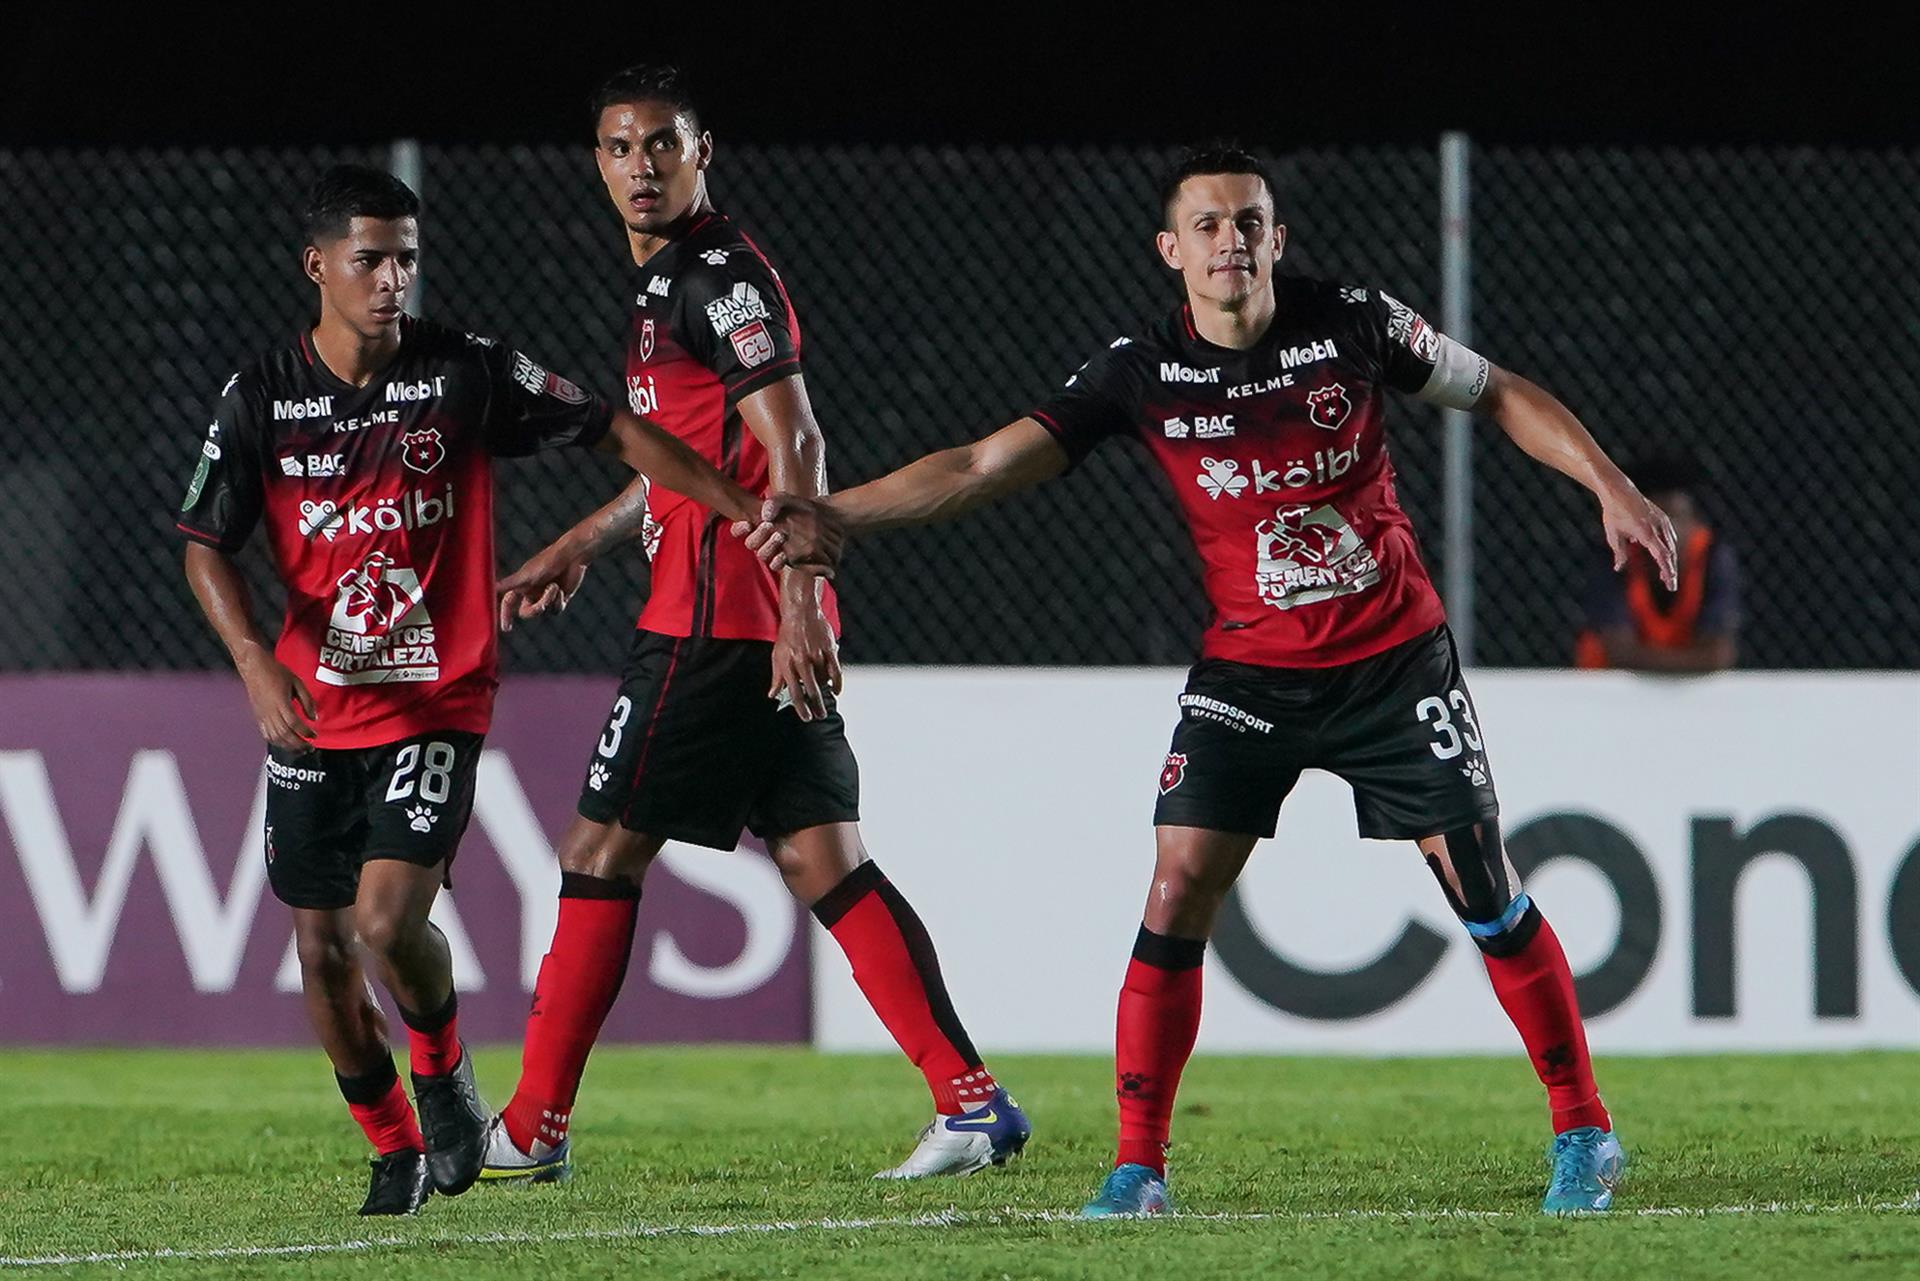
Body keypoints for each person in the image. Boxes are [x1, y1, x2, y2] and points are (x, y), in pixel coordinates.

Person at [737, 146, 1680, 1217]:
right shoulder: (1141, 370)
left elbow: (1500, 391)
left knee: (1482, 889)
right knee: (1178, 883)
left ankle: (1584, 1134)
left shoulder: (1355, 325)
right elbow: (983, 464)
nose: (1231, 240)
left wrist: (1608, 480)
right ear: (1171, 250)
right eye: (1210, 224)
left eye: (1250, 221)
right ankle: (1139, 1167)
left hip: (1393, 662)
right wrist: (838, 512)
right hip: (1250, 674)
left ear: (1277, 238)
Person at [176, 164, 794, 1216]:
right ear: (316, 266)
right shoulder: (262, 395)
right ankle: (392, 1147)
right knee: (321, 951)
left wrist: (741, 502)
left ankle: (445, 1073)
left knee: (383, 921)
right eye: (369, 259)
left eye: (406, 259)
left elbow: (620, 432)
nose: (391, 280)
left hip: (436, 700)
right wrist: (253, 662)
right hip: (313, 709)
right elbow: (202, 544)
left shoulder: (464, 371)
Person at [478, 64, 1027, 1185]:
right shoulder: (666, 283)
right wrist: (581, 543)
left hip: (720, 621)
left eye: (662, 145)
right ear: (598, 162)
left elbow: (799, 445)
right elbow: (688, 463)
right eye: (621, 148)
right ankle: (971, 1103)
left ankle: (532, 1127)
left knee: (596, 850)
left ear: (702, 150)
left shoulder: (717, 276)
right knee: (825, 859)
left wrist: (789, 610)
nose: (642, 166)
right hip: (755, 614)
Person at [1575, 452, 1739, 671]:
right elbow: (1617, 654)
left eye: (1675, 517)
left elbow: (1717, 656)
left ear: (1694, 522)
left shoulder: (1712, 556)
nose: (1666, 531)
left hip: (1685, 693)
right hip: (1609, 689)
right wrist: (1691, 662)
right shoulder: (1616, 552)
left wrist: (1642, 659)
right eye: (1653, 520)